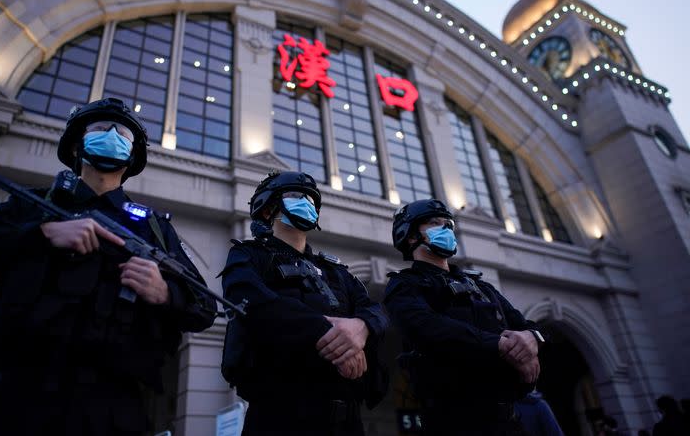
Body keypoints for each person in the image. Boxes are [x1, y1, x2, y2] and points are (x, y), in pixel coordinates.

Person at [0, 98, 216, 436]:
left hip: (116, 407)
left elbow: (205, 307)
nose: (112, 135)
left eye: (122, 133)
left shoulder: (153, 228)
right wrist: (39, 235)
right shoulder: (30, 207)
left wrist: (165, 293)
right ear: (78, 143)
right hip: (18, 398)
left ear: (133, 155)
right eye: (100, 129)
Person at [220, 170, 388, 436]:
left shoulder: (336, 270)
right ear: (268, 209)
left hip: (347, 421)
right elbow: (252, 301)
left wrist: (362, 327)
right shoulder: (248, 255)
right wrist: (338, 339)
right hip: (280, 416)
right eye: (297, 196)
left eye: (311, 199)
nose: (307, 203)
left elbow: (373, 309)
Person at [383, 199, 545, 436]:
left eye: (448, 224)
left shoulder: (480, 285)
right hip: (454, 421)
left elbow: (523, 323)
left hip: (509, 421)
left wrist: (530, 340)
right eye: (435, 224)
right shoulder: (405, 285)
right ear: (410, 236)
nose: (446, 229)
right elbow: (430, 329)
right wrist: (500, 345)